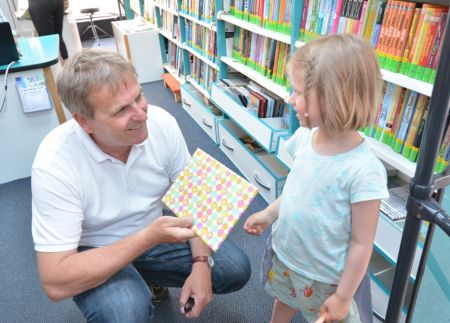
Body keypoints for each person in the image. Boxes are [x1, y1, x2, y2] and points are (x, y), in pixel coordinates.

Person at [31, 49, 251, 322]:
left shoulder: (162, 122)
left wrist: (201, 265)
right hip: (94, 248)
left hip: (154, 232)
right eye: (122, 109)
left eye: (138, 97)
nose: (142, 114)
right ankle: (136, 281)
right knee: (126, 311)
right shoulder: (54, 163)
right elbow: (54, 281)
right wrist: (148, 237)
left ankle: (147, 275)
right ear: (84, 121)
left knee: (235, 269)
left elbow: (198, 198)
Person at [244, 34, 389, 323]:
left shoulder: (364, 170)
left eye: (298, 92)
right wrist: (270, 214)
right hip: (287, 256)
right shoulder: (305, 138)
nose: (290, 98)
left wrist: (344, 296)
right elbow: (298, 192)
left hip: (325, 277)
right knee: (283, 298)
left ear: (333, 98)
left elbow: (363, 242)